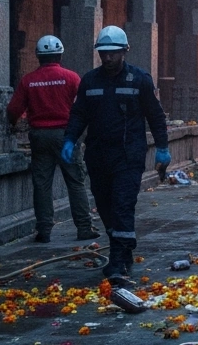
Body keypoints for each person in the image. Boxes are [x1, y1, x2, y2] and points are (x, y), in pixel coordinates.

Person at [62, 26, 170, 286]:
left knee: (122, 205)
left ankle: (118, 261)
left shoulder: (139, 80)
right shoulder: (90, 81)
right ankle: (123, 246)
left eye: (113, 53)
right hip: (98, 156)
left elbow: (155, 116)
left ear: (124, 51)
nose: (107, 58)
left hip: (128, 156)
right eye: (103, 53)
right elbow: (79, 114)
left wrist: (162, 148)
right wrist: (69, 139)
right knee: (107, 208)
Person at [6, 35, 98, 243]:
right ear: (60, 54)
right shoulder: (71, 77)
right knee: (75, 182)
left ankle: (44, 230)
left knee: (42, 184)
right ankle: (84, 227)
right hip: (66, 136)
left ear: (38, 56)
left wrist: (12, 123)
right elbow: (86, 105)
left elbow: (13, 109)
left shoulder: (28, 80)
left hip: (39, 136)